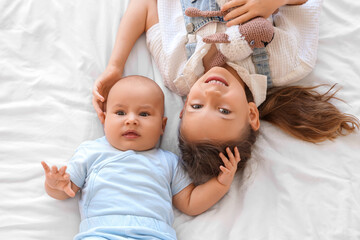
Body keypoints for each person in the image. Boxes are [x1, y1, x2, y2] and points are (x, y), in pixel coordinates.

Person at [92, 0, 359, 184]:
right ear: (252, 115)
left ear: (183, 109)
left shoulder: (178, 72)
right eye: (224, 110)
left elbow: (147, 5)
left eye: (197, 107)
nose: (211, 93)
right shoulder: (289, 63)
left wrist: (115, 66)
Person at [41, 75, 240, 239]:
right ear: (104, 119)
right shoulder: (91, 152)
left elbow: (190, 203)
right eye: (120, 112)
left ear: (162, 126)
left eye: (144, 114)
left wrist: (220, 184)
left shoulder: (168, 161)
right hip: (101, 233)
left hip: (154, 235)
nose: (131, 120)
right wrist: (55, 185)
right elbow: (66, 190)